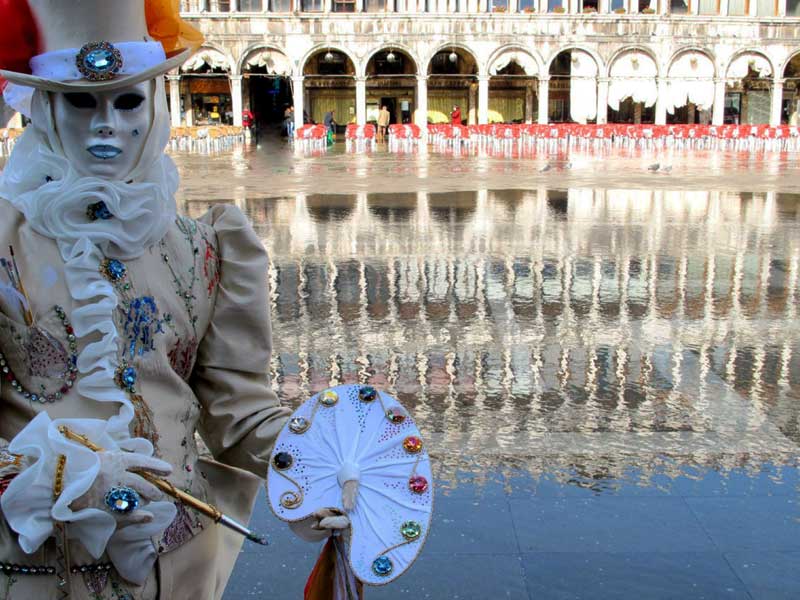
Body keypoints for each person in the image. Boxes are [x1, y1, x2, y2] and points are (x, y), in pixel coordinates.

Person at [0, 1, 345, 598]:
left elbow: (238, 412)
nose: (107, 124)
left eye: (129, 101)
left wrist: (310, 474)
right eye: (82, 101)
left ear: (157, 104)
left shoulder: (204, 247)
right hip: (36, 575)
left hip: (177, 574)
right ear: (46, 109)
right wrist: (65, 476)